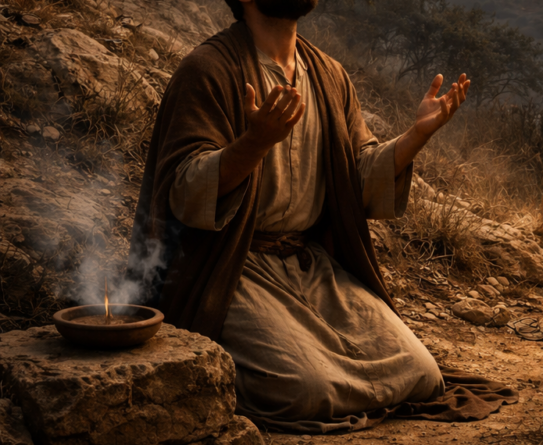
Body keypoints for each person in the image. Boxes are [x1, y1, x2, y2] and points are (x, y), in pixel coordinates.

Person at [126, 0, 516, 433]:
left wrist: (416, 135)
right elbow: (182, 191)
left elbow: (357, 179)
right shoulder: (207, 69)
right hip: (234, 268)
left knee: (423, 374)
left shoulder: (329, 74)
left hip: (312, 265)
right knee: (304, 390)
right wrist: (254, 143)